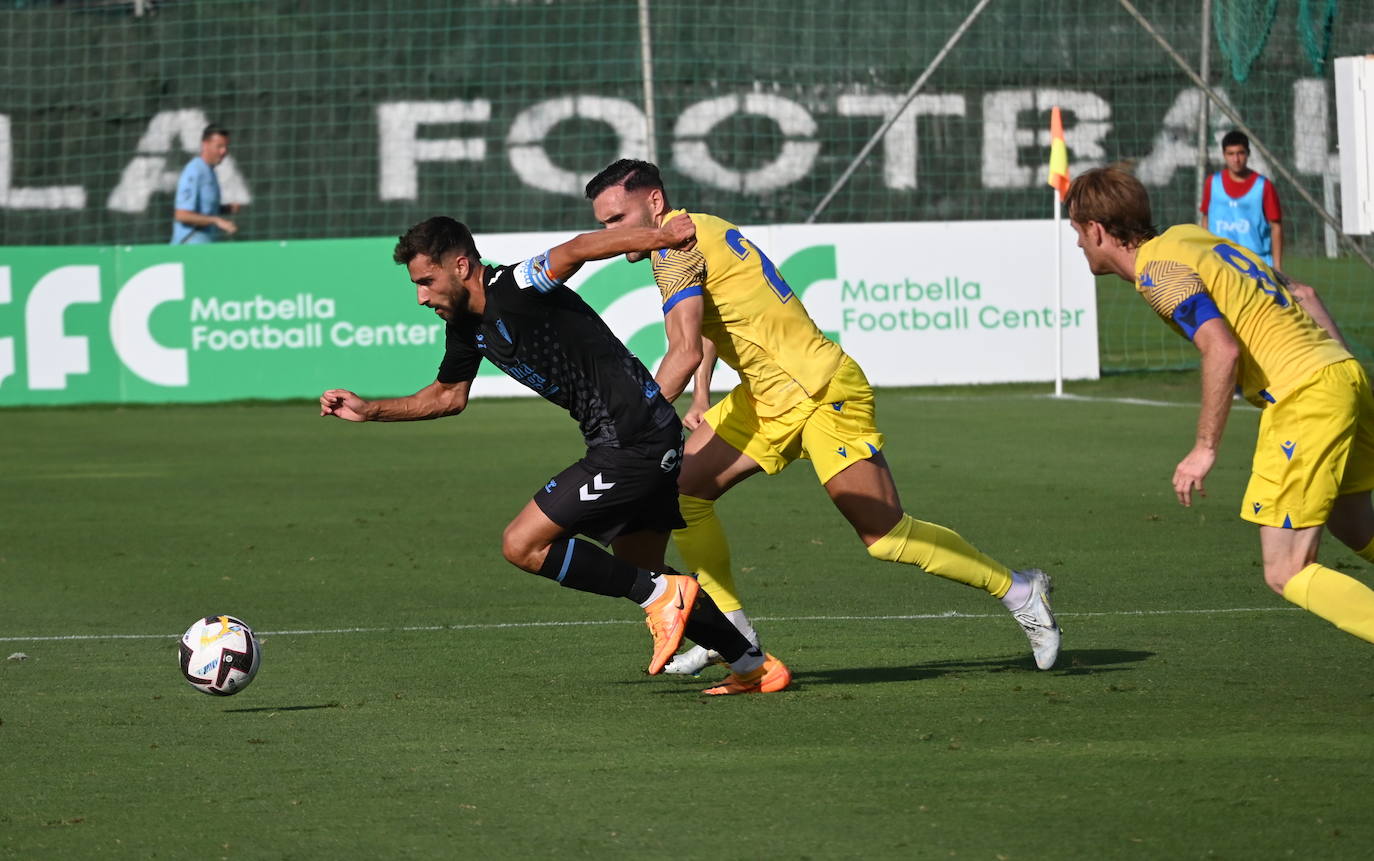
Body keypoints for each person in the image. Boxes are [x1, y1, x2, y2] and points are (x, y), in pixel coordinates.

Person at [583, 159, 1062, 674]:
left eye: (617, 218)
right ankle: (730, 631)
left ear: (654, 203)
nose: (608, 233)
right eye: (602, 222)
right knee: (681, 491)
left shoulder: (677, 248)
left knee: (885, 537)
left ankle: (1019, 590)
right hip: (765, 399)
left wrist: (631, 430)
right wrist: (700, 396)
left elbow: (680, 351)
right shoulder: (700, 230)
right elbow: (707, 328)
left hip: (820, 390)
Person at [319, 215, 791, 695]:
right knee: (645, 571)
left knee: (523, 545)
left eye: (426, 281)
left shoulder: (517, 285)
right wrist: (370, 409)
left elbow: (580, 247)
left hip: (631, 440)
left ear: (461, 266)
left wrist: (662, 238)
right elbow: (447, 397)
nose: (421, 296)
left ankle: (664, 598)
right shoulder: (465, 325)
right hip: (640, 438)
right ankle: (753, 665)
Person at [1067, 166, 1374, 644]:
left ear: (1098, 230)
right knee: (1354, 525)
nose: (1079, 244)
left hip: (1305, 396)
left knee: (1286, 569)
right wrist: (1347, 383)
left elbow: (1222, 348)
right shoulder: (1190, 237)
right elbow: (1304, 294)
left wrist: (1204, 447)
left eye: (1077, 232)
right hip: (1342, 372)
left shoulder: (1157, 274)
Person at [1199, 130, 1283, 270]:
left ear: (1248, 153)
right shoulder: (1212, 183)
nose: (1236, 159)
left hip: (1256, 263)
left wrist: (1278, 267)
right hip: (1219, 262)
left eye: (1240, 153)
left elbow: (1276, 226)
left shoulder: (1263, 186)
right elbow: (1205, 218)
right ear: (1224, 155)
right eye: (1230, 154)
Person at [171, 124, 239, 245]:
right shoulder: (194, 170)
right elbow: (182, 215)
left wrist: (225, 209)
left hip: (205, 247)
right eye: (219, 146)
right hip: (188, 247)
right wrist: (216, 221)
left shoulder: (210, 171)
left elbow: (204, 210)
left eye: (226, 146)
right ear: (205, 145)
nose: (224, 151)